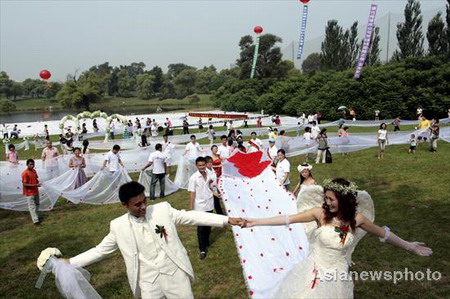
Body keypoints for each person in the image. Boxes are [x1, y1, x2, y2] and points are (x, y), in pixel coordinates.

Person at [243, 178, 432, 298]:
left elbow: (384, 234)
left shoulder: (356, 219)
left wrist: (409, 246)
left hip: (338, 274)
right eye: (326, 198)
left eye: (331, 199)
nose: (327, 202)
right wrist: (253, 222)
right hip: (314, 271)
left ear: (343, 199)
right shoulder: (319, 214)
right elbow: (287, 219)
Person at [63, 181, 243, 298]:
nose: (143, 207)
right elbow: (100, 250)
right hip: (148, 282)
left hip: (175, 274)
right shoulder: (118, 226)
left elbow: (192, 217)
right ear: (124, 205)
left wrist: (226, 220)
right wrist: (69, 262)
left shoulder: (163, 209)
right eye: (137, 204)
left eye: (144, 201)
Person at [188, 157, 224, 260]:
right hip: (200, 205)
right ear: (196, 166)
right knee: (201, 228)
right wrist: (191, 209)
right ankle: (202, 249)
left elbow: (209, 187)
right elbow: (192, 193)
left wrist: (215, 194)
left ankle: (206, 242)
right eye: (200, 165)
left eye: (203, 165)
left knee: (208, 225)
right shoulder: (194, 178)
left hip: (209, 203)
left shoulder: (208, 174)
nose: (202, 167)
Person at [22, 159, 42, 225]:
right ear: (27, 165)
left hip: (35, 191)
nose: (32, 165)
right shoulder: (25, 173)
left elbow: (36, 179)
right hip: (29, 192)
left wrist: (38, 183)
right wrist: (35, 185)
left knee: (37, 204)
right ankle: (35, 221)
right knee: (32, 206)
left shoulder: (34, 171)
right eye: (30, 164)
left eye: (33, 164)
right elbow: (24, 184)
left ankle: (36, 216)